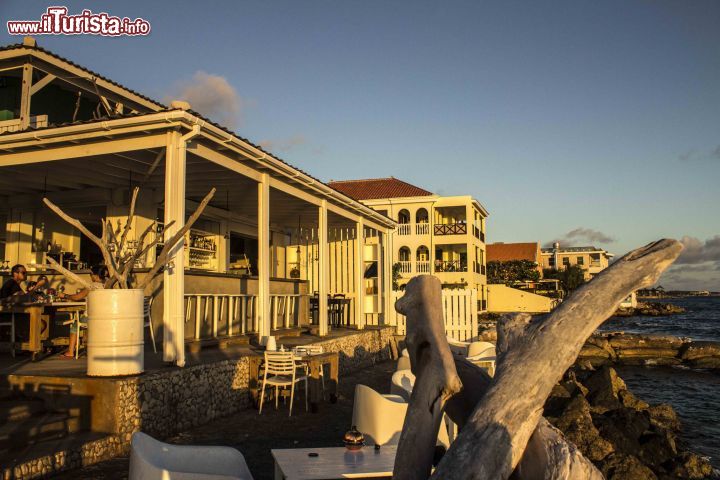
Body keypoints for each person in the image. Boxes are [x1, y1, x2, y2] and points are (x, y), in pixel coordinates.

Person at [57, 264, 108, 358]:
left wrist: (64, 296)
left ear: (96, 276)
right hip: (104, 317)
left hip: (92, 317)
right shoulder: (108, 285)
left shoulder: (91, 286)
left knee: (74, 325)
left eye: (91, 274)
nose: (90, 276)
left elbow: (77, 297)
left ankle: (70, 352)